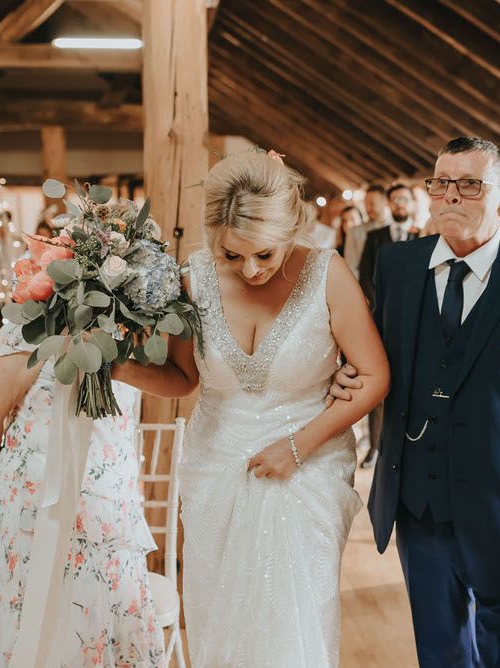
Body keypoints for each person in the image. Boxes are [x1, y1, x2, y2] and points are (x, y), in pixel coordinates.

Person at [112, 151, 390, 667]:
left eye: (264, 254)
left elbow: (374, 375)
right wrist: (116, 367)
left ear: (292, 229)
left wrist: (295, 448)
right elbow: (183, 378)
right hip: (215, 464)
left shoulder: (327, 275)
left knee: (292, 613)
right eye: (232, 256)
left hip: (309, 465)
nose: (251, 269)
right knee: (219, 616)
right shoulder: (192, 280)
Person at [331, 137, 500, 667]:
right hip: (419, 497)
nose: (451, 196)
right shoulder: (396, 264)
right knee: (439, 649)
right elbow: (376, 353)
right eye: (441, 184)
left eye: (469, 185)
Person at [0, 322, 165, 667]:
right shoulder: (131, 325)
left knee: (38, 624)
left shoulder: (29, 325)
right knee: (99, 623)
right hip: (109, 502)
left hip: (44, 503)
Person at [357, 184, 419, 469]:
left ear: (412, 203)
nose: (400, 204)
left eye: (405, 199)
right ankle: (374, 447)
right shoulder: (375, 237)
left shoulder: (422, 236)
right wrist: (380, 305)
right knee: (378, 381)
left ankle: (406, 446)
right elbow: (366, 275)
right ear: (390, 204)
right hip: (381, 317)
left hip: (416, 319)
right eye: (396, 200)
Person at [343, 184, 391, 278]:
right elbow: (351, 266)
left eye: (372, 203)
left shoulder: (395, 230)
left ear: (384, 202)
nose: (368, 208)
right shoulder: (354, 232)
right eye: (366, 204)